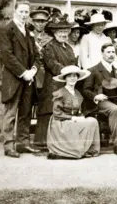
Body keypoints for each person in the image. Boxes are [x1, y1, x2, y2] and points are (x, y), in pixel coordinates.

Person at [0, 0, 41, 158]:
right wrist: (24, 72)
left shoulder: (28, 31)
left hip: (29, 78)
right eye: (21, 12)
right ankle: (8, 146)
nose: (24, 15)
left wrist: (33, 70)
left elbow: (36, 55)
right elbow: (7, 56)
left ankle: (23, 143)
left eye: (26, 12)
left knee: (26, 112)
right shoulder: (6, 29)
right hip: (14, 78)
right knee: (11, 112)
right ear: (15, 11)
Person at [82, 43, 117, 156]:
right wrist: (95, 96)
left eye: (113, 52)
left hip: (116, 101)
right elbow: (85, 90)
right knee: (114, 109)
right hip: (101, 102)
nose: (111, 54)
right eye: (108, 52)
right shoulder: (93, 70)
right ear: (102, 53)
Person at [35, 17, 79, 150]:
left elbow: (74, 63)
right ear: (54, 33)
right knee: (49, 111)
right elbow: (52, 64)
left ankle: (60, 143)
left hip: (66, 84)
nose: (64, 34)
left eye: (66, 31)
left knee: (63, 111)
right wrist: (67, 72)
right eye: (60, 31)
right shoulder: (49, 47)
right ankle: (42, 143)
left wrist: (75, 73)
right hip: (52, 85)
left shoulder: (69, 48)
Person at [46, 66, 100, 159]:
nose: (72, 78)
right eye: (69, 76)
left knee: (93, 121)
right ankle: (76, 149)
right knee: (90, 122)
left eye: (74, 76)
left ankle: (90, 149)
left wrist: (80, 116)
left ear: (77, 78)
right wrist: (72, 118)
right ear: (65, 78)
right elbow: (56, 113)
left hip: (72, 121)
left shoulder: (77, 93)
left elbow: (78, 111)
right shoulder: (60, 93)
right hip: (60, 123)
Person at [30, 9, 52, 90]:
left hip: (45, 74)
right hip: (30, 73)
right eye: (37, 21)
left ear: (46, 22)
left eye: (42, 21)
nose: (40, 24)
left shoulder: (50, 39)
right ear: (33, 22)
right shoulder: (28, 36)